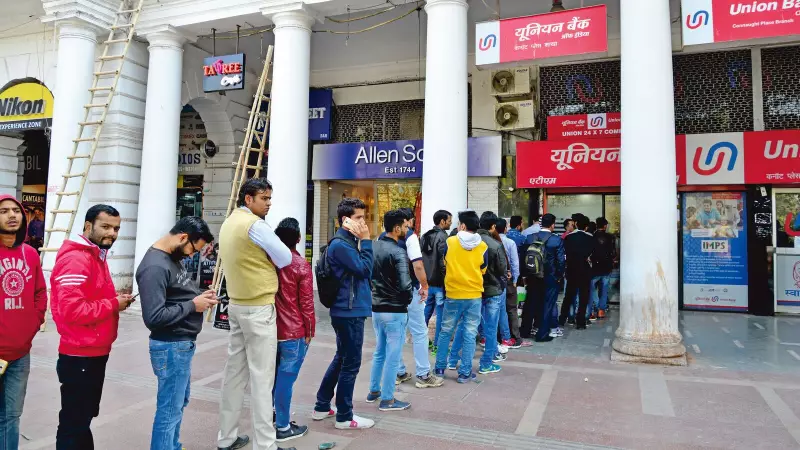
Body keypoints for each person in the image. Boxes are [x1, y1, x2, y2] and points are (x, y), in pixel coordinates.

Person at [217, 178, 293, 450]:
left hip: (237, 304)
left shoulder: (230, 222)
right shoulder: (255, 226)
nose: (269, 203)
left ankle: (226, 437)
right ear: (248, 199)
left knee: (234, 374)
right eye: (264, 198)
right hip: (259, 306)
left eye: (270, 198)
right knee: (262, 378)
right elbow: (284, 257)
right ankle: (266, 445)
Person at [50, 204, 134, 450]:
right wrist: (112, 304)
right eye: (106, 226)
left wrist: (114, 302)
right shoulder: (77, 259)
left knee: (82, 419)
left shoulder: (95, 254)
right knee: (74, 422)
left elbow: (88, 298)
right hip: (80, 356)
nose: (112, 233)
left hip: (92, 353)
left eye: (116, 228)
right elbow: (72, 310)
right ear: (88, 226)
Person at [136, 217, 218, 450]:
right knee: (169, 409)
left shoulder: (171, 257)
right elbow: (154, 317)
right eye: (194, 249)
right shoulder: (155, 266)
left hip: (181, 345)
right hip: (171, 346)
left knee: (177, 403)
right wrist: (194, 305)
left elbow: (178, 294)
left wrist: (201, 296)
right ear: (183, 237)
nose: (192, 255)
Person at [313, 198, 375, 430]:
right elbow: (365, 269)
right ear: (345, 220)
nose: (363, 223)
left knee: (342, 358)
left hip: (347, 309)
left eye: (363, 217)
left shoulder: (346, 242)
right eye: (358, 218)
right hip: (349, 311)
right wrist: (367, 241)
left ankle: (321, 406)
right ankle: (344, 417)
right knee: (351, 363)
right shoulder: (342, 245)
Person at [0, 195, 46, 450]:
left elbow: (40, 292)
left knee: (11, 416)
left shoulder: (30, 254)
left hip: (20, 354)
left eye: (15, 210)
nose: (12, 215)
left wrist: (32, 324)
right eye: (4, 211)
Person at [366, 210, 415, 411]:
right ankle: (388, 399)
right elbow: (405, 285)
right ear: (396, 228)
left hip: (377, 308)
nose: (407, 229)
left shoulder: (372, 247)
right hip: (395, 309)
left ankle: (374, 391)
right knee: (393, 354)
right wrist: (407, 300)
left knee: (380, 351)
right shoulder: (398, 252)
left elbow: (367, 275)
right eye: (405, 226)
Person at [433, 210, 488, 383]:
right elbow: (483, 269)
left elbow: (444, 261)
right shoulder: (483, 246)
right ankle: (464, 373)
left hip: (453, 293)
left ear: (462, 225)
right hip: (474, 295)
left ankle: (440, 368)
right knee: (470, 334)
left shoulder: (450, 242)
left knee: (445, 331)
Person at [273, 218, 315, 443]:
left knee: (272, 377)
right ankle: (282, 426)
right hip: (294, 330)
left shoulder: (269, 262)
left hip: (271, 328)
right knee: (286, 380)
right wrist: (310, 330)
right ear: (298, 239)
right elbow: (306, 303)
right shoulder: (300, 265)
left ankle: (272, 417)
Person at [395, 209, 443, 388]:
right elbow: (418, 264)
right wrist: (425, 285)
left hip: (391, 294)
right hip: (410, 291)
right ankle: (423, 374)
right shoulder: (410, 237)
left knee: (396, 332)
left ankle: (398, 371)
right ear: (406, 221)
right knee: (419, 331)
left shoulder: (382, 238)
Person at [520, 214, 565, 342]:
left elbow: (523, 258)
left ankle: (525, 331)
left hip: (532, 276)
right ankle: (542, 334)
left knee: (530, 303)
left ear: (540, 224)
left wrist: (525, 275)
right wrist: (558, 276)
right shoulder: (556, 240)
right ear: (552, 225)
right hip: (550, 277)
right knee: (547, 304)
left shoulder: (529, 238)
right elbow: (561, 261)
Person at [421, 210, 451, 354]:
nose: (450, 223)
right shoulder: (443, 237)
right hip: (439, 282)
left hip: (427, 281)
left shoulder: (425, 236)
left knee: (426, 311)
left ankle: (422, 341)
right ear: (442, 221)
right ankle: (437, 345)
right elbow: (443, 261)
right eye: (449, 220)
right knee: (440, 315)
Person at [559, 215, 595, 330]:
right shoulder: (590, 238)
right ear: (586, 226)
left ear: (576, 224)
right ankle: (581, 322)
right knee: (584, 297)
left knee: (569, 296)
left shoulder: (569, 237)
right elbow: (592, 254)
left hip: (572, 269)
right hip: (585, 270)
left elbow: (565, 255)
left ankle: (562, 319)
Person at [497, 218, 529, 348]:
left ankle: (499, 336)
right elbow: (515, 263)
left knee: (497, 309)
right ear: (505, 228)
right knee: (511, 308)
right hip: (508, 279)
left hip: (494, 281)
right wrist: (515, 280)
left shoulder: (488, 241)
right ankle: (515, 337)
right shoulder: (509, 242)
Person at [590, 217, 616, 320]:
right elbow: (613, 252)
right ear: (605, 226)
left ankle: (595, 306)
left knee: (592, 288)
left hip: (595, 267)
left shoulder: (592, 236)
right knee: (604, 290)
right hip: (607, 267)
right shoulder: (610, 237)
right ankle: (601, 310)